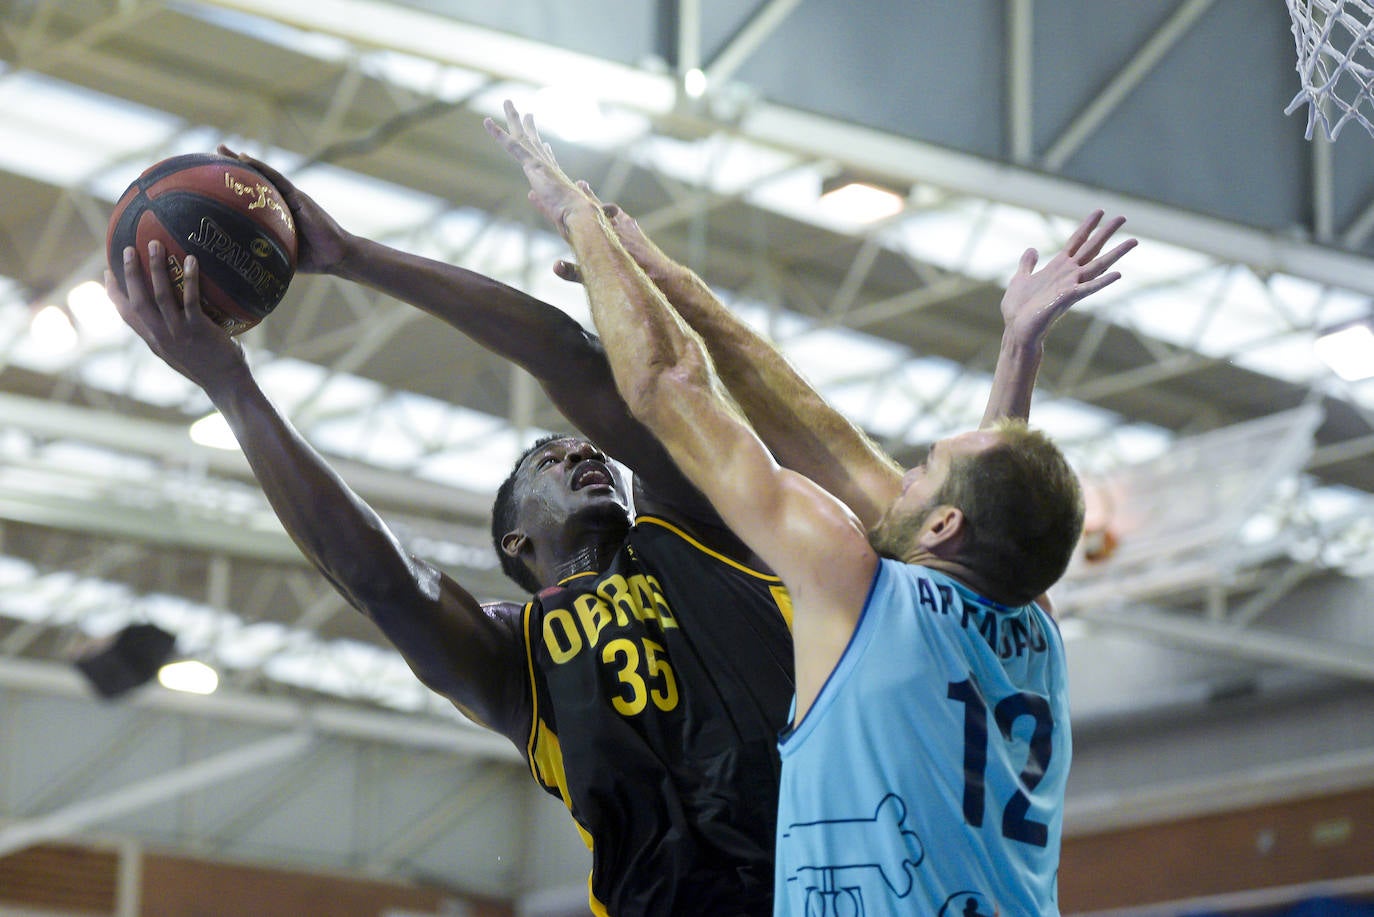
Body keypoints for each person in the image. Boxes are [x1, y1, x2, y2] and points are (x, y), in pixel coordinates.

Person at [488, 100, 1133, 916]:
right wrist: (1017, 353)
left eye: (920, 472)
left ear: (942, 525)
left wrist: (578, 217)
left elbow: (665, 385)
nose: (895, 478)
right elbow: (863, 451)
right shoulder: (1033, 622)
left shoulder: (856, 587)